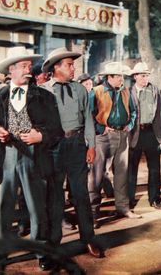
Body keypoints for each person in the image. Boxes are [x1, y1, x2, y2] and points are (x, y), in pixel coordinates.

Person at [0, 46, 64, 272]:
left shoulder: (44, 96)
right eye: (25, 66)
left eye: (29, 66)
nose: (29, 70)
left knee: (38, 207)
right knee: (4, 207)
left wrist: (41, 135)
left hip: (35, 156)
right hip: (6, 155)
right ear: (12, 70)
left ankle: (42, 252)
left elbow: (57, 129)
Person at [41, 47, 102, 262]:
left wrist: (91, 146)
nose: (73, 67)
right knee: (54, 197)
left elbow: (88, 119)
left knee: (80, 195)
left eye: (73, 64)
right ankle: (53, 244)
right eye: (69, 64)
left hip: (77, 145)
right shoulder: (44, 91)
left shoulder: (80, 90)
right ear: (56, 67)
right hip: (54, 146)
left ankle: (88, 238)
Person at [89, 62, 140, 221]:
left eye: (122, 76)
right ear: (109, 77)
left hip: (122, 135)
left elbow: (133, 112)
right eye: (118, 76)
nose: (121, 79)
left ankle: (123, 208)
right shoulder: (96, 92)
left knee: (121, 173)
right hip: (103, 137)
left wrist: (129, 125)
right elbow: (88, 115)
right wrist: (100, 128)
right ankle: (93, 213)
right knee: (96, 175)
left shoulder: (125, 91)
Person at [128, 62, 161, 209]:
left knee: (155, 168)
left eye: (147, 75)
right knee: (131, 169)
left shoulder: (155, 91)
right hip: (135, 134)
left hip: (152, 133)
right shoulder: (129, 92)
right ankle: (130, 200)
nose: (145, 79)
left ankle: (155, 199)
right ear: (135, 76)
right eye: (143, 76)